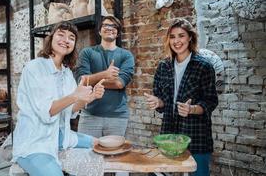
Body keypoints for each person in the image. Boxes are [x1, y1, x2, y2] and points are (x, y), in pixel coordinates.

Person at [12, 22, 105, 176]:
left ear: (74, 45)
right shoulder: (34, 68)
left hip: (60, 135)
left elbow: (70, 110)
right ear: (51, 38)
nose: (66, 40)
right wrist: (75, 95)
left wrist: (91, 97)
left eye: (71, 38)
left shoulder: (66, 73)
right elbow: (47, 111)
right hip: (35, 141)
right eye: (61, 34)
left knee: (99, 144)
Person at [144, 18, 218, 176]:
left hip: (196, 133)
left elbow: (211, 101)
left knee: (198, 172)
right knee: (159, 172)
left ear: (190, 37)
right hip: (169, 131)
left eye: (181, 36)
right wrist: (158, 102)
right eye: (172, 37)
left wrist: (192, 109)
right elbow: (163, 101)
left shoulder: (204, 66)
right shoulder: (163, 66)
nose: (176, 41)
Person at [75, 15, 134, 138]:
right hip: (90, 114)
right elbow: (81, 80)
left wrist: (92, 80)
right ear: (99, 30)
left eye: (114, 26)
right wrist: (105, 74)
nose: (110, 28)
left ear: (117, 33)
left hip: (117, 117)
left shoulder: (126, 55)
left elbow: (119, 83)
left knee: (113, 155)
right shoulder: (87, 53)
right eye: (106, 25)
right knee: (86, 154)